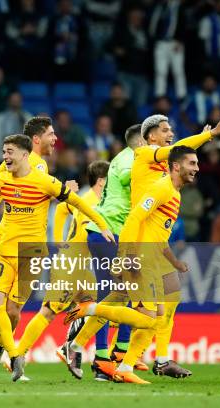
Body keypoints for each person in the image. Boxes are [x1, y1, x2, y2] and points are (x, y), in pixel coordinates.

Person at [63, 112, 220, 381]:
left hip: (153, 243)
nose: (170, 133)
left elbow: (180, 153)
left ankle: (81, 346)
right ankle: (125, 359)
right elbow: (178, 152)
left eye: (171, 129)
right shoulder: (145, 155)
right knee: (143, 312)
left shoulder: (168, 180)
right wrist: (210, 134)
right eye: (165, 129)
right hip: (139, 243)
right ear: (150, 136)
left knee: (156, 298)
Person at [0, 134, 114, 382]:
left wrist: (101, 224)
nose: (5, 157)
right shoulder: (3, 178)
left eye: (10, 152)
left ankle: (2, 349)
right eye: (4, 152)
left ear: (25, 155)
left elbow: (76, 202)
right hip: (4, 251)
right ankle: (14, 355)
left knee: (14, 311)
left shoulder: (45, 181)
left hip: (32, 255)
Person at [63, 146, 200, 384]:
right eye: (192, 163)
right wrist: (125, 254)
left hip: (153, 258)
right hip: (140, 258)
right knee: (149, 319)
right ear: (176, 166)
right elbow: (135, 217)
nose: (196, 168)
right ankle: (89, 310)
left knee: (141, 308)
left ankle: (115, 361)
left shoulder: (174, 194)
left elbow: (160, 235)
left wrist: (174, 262)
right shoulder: (161, 188)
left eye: (197, 164)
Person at [63, 125, 147, 381]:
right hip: (108, 233)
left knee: (117, 294)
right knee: (128, 290)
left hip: (108, 234)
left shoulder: (131, 159)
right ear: (142, 141)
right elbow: (129, 180)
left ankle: (102, 359)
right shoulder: (128, 160)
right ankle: (112, 354)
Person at [15, 160, 109, 359]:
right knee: (48, 311)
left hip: (80, 265)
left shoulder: (86, 198)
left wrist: (59, 237)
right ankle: (17, 354)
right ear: (102, 181)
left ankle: (69, 346)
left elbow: (61, 209)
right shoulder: (92, 203)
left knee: (96, 306)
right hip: (71, 265)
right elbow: (89, 235)